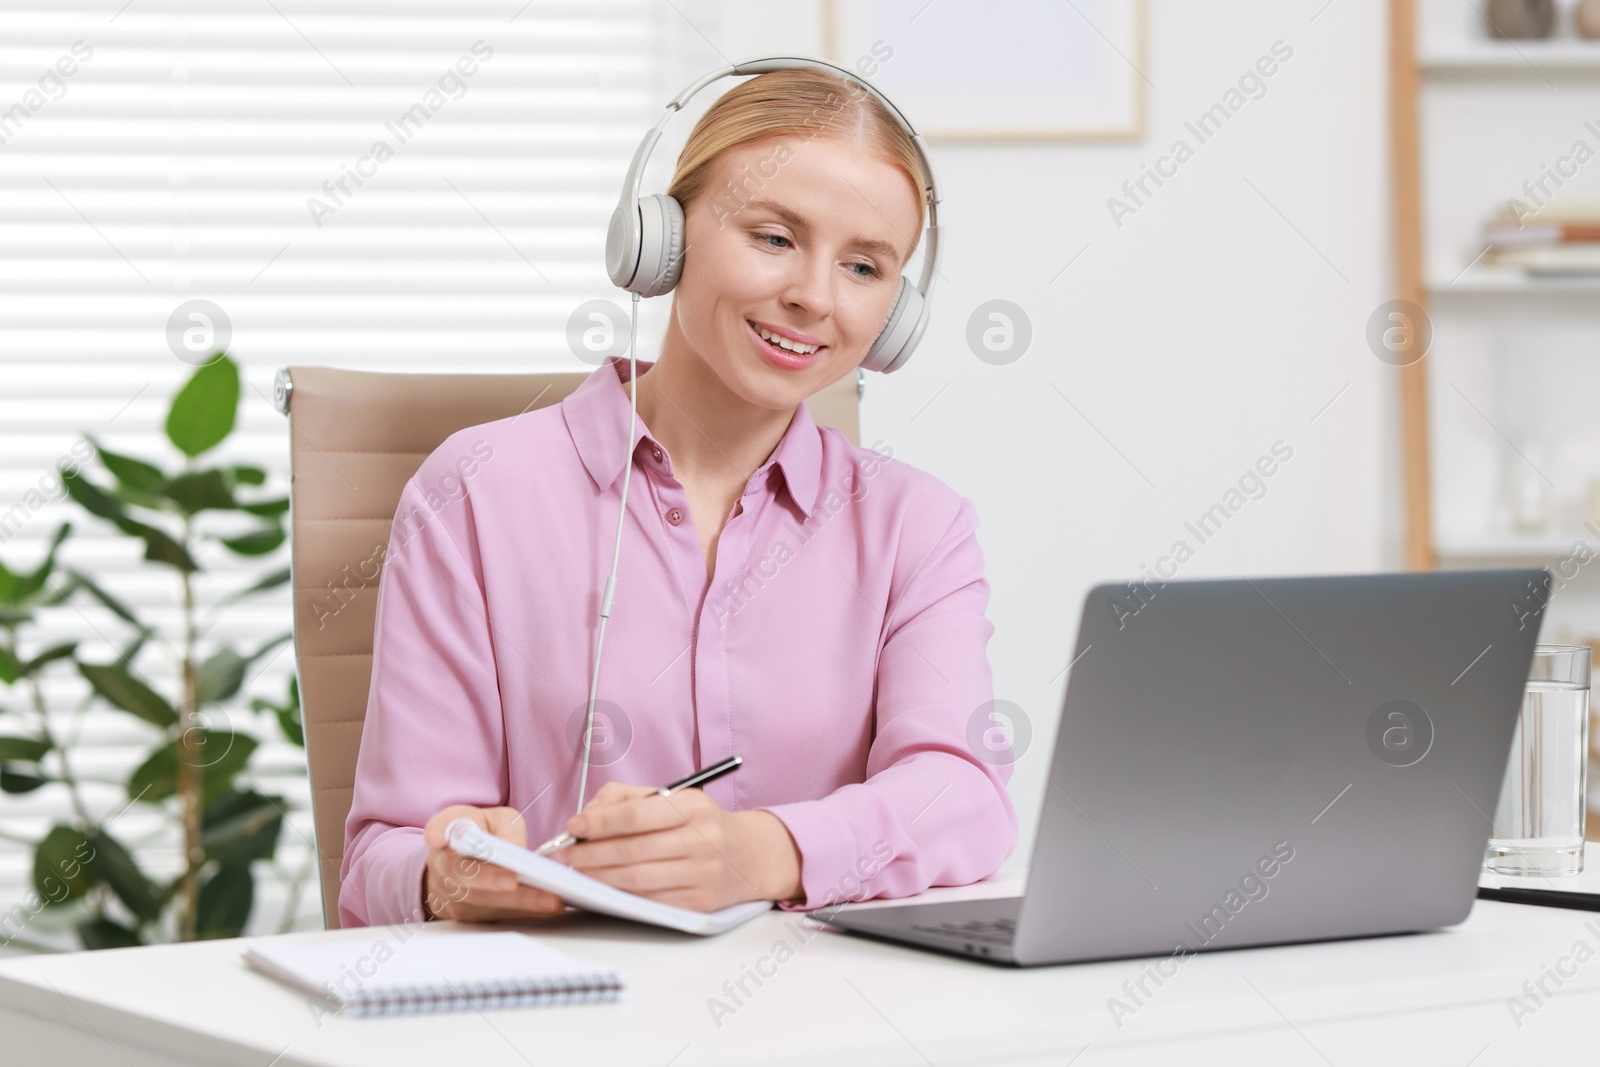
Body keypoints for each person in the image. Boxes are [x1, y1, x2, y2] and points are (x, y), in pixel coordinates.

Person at [338, 67, 1017, 928]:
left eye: (863, 266)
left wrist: (759, 853)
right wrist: (448, 876)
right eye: (774, 237)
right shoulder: (475, 491)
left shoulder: (917, 526)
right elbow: (380, 860)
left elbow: (963, 794)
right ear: (663, 239)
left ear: (896, 314)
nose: (814, 294)